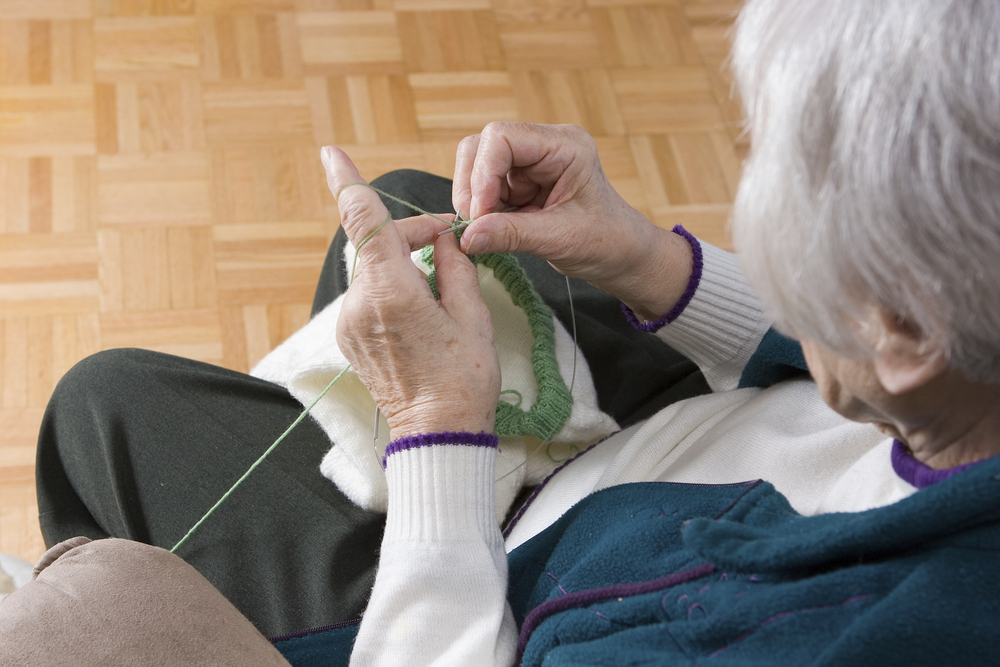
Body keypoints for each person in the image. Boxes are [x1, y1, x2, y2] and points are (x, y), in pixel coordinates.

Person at [3, 0, 1000, 664]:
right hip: (671, 455)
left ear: (902, 328)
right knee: (410, 206)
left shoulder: (845, 634)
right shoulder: (956, 369)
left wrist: (438, 429)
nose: (751, 182)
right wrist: (652, 264)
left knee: (107, 404)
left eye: (769, 161)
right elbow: (871, 373)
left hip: (497, 596)